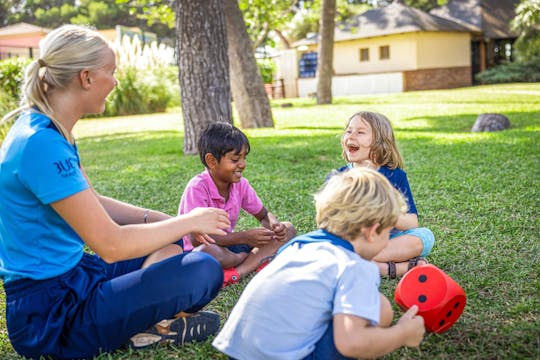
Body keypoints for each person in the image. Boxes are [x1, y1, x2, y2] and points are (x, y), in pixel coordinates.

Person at [0, 25, 232, 360]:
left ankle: (142, 323)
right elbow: (111, 246)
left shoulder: (48, 128)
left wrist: (176, 221)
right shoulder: (39, 144)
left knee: (167, 244)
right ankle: (144, 324)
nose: (116, 81)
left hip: (78, 277)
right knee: (203, 269)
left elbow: (93, 202)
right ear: (86, 78)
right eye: (111, 72)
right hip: (50, 317)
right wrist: (189, 221)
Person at [213, 167, 426, 359]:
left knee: (377, 305)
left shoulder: (299, 245)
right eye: (388, 233)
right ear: (372, 231)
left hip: (238, 352)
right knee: (377, 312)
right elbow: (351, 343)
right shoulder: (355, 266)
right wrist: (402, 334)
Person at [178, 122, 296, 287]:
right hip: (199, 252)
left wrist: (274, 224)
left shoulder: (240, 185)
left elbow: (263, 215)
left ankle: (236, 273)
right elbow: (198, 240)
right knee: (209, 252)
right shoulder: (197, 188)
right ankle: (250, 260)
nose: (242, 164)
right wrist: (244, 237)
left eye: (243, 158)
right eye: (235, 159)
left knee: (289, 229)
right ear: (211, 161)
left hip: (230, 245)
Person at [329, 111, 435, 278]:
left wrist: (385, 214)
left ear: (379, 142)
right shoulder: (338, 178)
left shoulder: (394, 175)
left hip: (390, 239)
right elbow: (329, 221)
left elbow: (412, 222)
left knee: (425, 237)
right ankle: (392, 268)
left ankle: (363, 263)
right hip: (355, 240)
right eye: (348, 131)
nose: (351, 136)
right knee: (335, 246)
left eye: (360, 132)